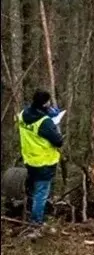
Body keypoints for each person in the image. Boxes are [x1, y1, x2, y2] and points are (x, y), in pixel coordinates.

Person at [17, 89, 63, 226]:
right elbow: (58, 141)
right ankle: (36, 222)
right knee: (41, 194)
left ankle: (31, 214)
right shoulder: (45, 122)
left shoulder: (22, 114)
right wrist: (54, 127)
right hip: (44, 162)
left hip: (29, 159)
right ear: (44, 104)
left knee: (33, 189)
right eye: (48, 102)